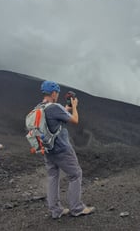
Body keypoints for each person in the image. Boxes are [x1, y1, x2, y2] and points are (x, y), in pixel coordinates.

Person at [38, 80, 94, 219]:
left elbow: (55, 117)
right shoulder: (54, 107)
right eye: (57, 92)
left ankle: (56, 210)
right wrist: (74, 106)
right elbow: (75, 120)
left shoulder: (39, 107)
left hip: (48, 149)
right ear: (53, 93)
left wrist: (66, 109)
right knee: (75, 174)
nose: (57, 95)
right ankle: (77, 208)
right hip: (61, 149)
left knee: (53, 176)